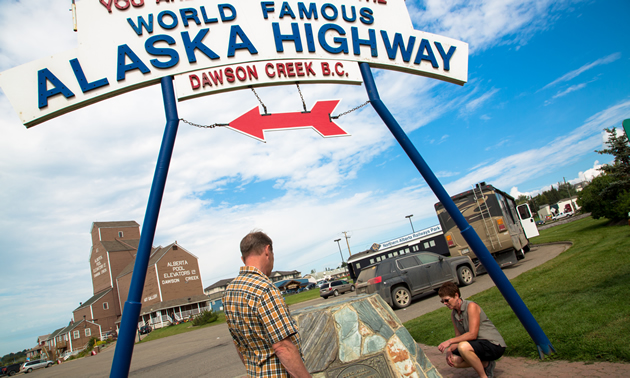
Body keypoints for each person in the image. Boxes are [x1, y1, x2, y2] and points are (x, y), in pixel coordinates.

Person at [223, 230, 311, 378]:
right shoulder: (265, 289)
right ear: (267, 251)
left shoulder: (230, 292)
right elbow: (282, 347)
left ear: (243, 258)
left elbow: (238, 343)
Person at [437, 282, 506, 378]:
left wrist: (449, 341)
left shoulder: (471, 306)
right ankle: (487, 364)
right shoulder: (454, 314)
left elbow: (472, 334)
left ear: (456, 295)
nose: (445, 303)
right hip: (477, 345)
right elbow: (458, 337)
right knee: (453, 360)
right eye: (442, 301)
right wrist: (450, 349)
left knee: (463, 347)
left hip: (493, 344)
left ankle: (483, 376)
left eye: (446, 300)